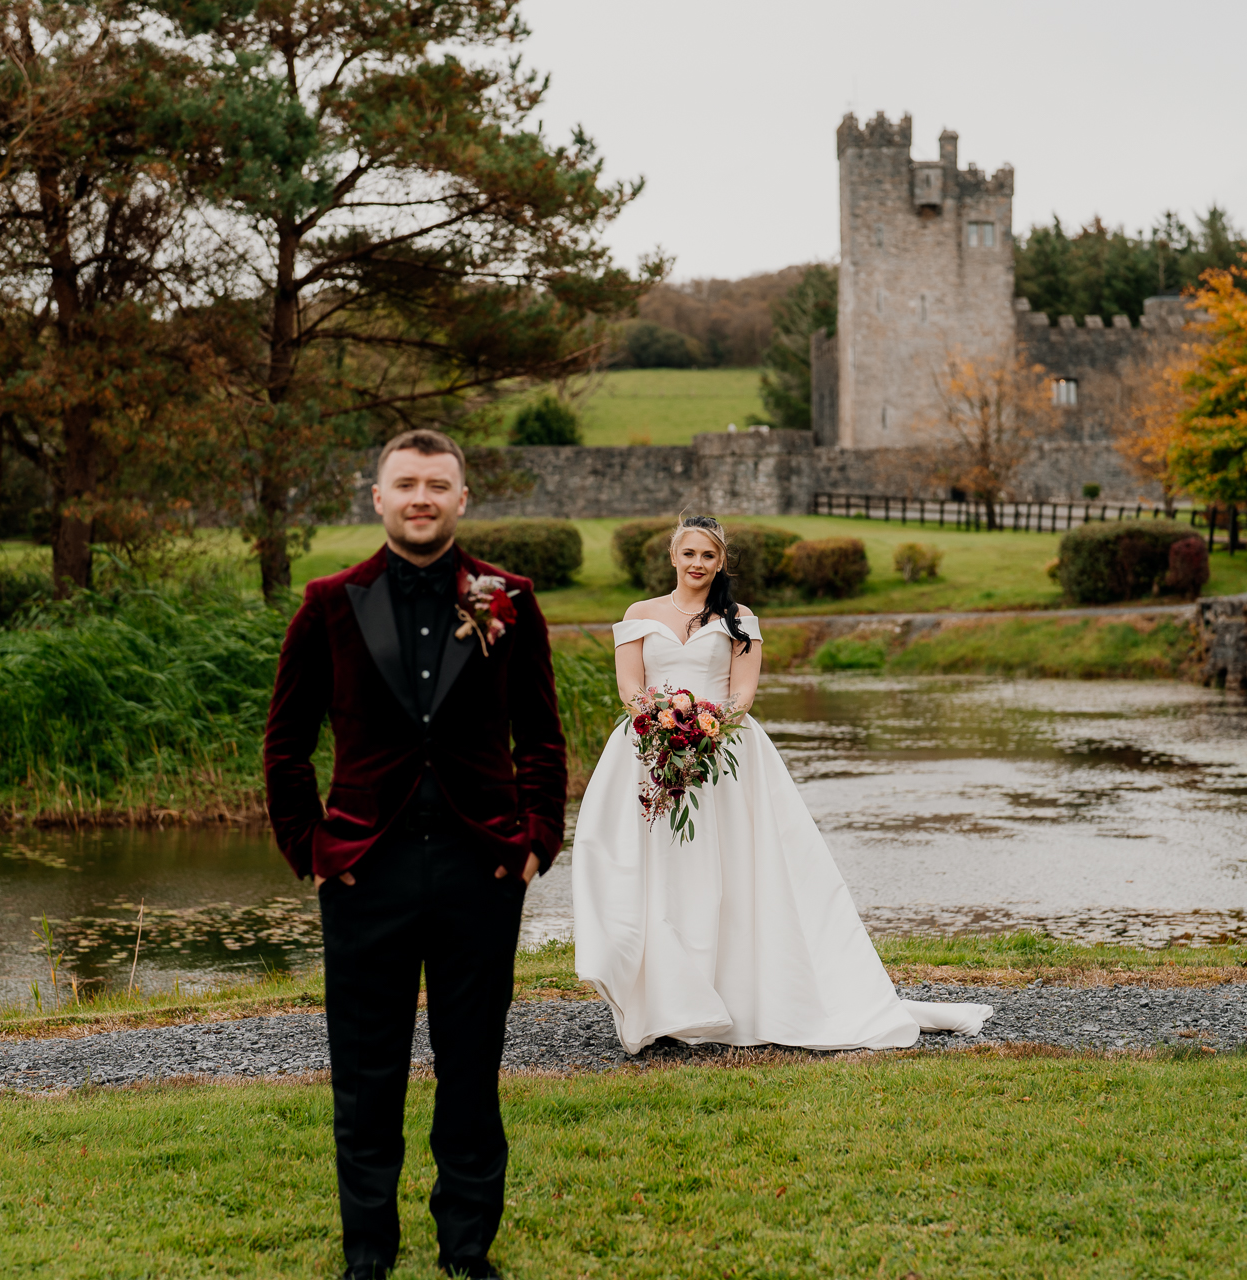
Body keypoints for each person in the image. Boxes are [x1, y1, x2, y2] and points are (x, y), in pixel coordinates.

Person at [263, 429, 567, 1280]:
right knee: (366, 1078)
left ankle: (467, 1250)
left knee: (471, 1072)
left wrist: (536, 840)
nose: (422, 496)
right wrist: (313, 847)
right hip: (366, 872)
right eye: (407, 483)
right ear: (380, 497)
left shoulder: (511, 598)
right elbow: (285, 745)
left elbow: (542, 738)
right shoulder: (329, 602)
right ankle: (368, 1256)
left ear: (462, 499)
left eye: (438, 483)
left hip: (483, 869)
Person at [573, 516, 992, 1053]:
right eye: (689, 553)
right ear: (673, 557)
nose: (698, 563)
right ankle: (663, 999)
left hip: (721, 753)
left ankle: (731, 992)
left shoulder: (739, 618)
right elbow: (630, 687)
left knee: (732, 871)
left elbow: (743, 696)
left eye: (709, 556)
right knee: (653, 866)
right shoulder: (640, 615)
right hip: (648, 752)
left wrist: (701, 726)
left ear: (721, 562)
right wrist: (661, 722)